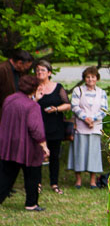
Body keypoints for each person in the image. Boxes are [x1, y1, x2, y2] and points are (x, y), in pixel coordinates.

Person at [0, 75, 49, 211]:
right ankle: (31, 204)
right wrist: (44, 146)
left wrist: (35, 99)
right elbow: (36, 129)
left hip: (9, 143)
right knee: (32, 175)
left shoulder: (9, 100)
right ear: (34, 88)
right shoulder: (33, 106)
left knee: (6, 175)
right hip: (27, 146)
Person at [67, 66, 107, 188]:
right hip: (80, 127)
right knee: (79, 153)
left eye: (93, 77)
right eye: (88, 77)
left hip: (95, 127)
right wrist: (86, 119)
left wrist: (92, 120)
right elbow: (75, 107)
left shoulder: (101, 93)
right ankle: (78, 181)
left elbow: (104, 110)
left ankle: (92, 181)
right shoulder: (78, 90)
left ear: (97, 78)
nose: (90, 79)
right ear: (84, 78)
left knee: (93, 154)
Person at [34, 60, 70, 194]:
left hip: (55, 125)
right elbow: (27, 104)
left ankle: (54, 183)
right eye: (37, 70)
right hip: (38, 127)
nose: (39, 72)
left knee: (54, 156)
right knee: (37, 156)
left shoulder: (58, 87)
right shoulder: (33, 87)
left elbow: (67, 104)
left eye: (42, 70)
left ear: (49, 73)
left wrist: (56, 109)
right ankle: (37, 183)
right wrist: (36, 98)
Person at [0, 49, 34, 121]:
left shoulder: (21, 71)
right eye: (26, 67)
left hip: (16, 113)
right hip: (4, 114)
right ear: (19, 63)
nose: (27, 69)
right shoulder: (2, 69)